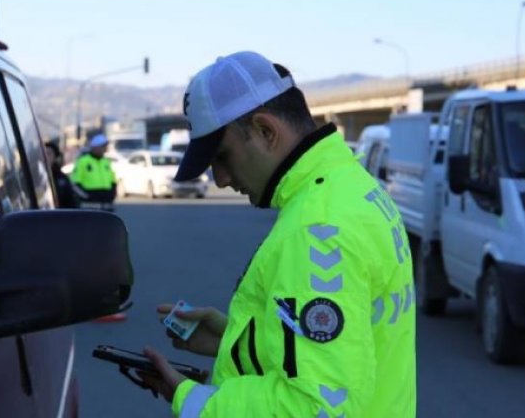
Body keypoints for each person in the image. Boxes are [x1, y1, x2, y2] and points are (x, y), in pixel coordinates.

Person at [137, 51, 416, 417]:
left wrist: (191, 399)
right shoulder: (351, 186)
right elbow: (350, 342)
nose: (219, 178)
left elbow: (317, 406)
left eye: (222, 157)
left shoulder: (316, 230)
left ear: (266, 131)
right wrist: (232, 338)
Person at [70, 133, 117, 211]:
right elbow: (74, 183)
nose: (105, 149)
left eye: (105, 146)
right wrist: (86, 196)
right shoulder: (83, 161)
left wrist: (113, 194)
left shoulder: (106, 162)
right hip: (89, 206)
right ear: (95, 147)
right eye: (103, 146)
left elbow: (113, 180)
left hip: (107, 206)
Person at [44, 141, 80, 208]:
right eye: (43, 153)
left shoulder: (62, 178)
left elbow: (70, 202)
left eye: (49, 153)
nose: (45, 156)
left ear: (55, 157)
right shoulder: (35, 177)